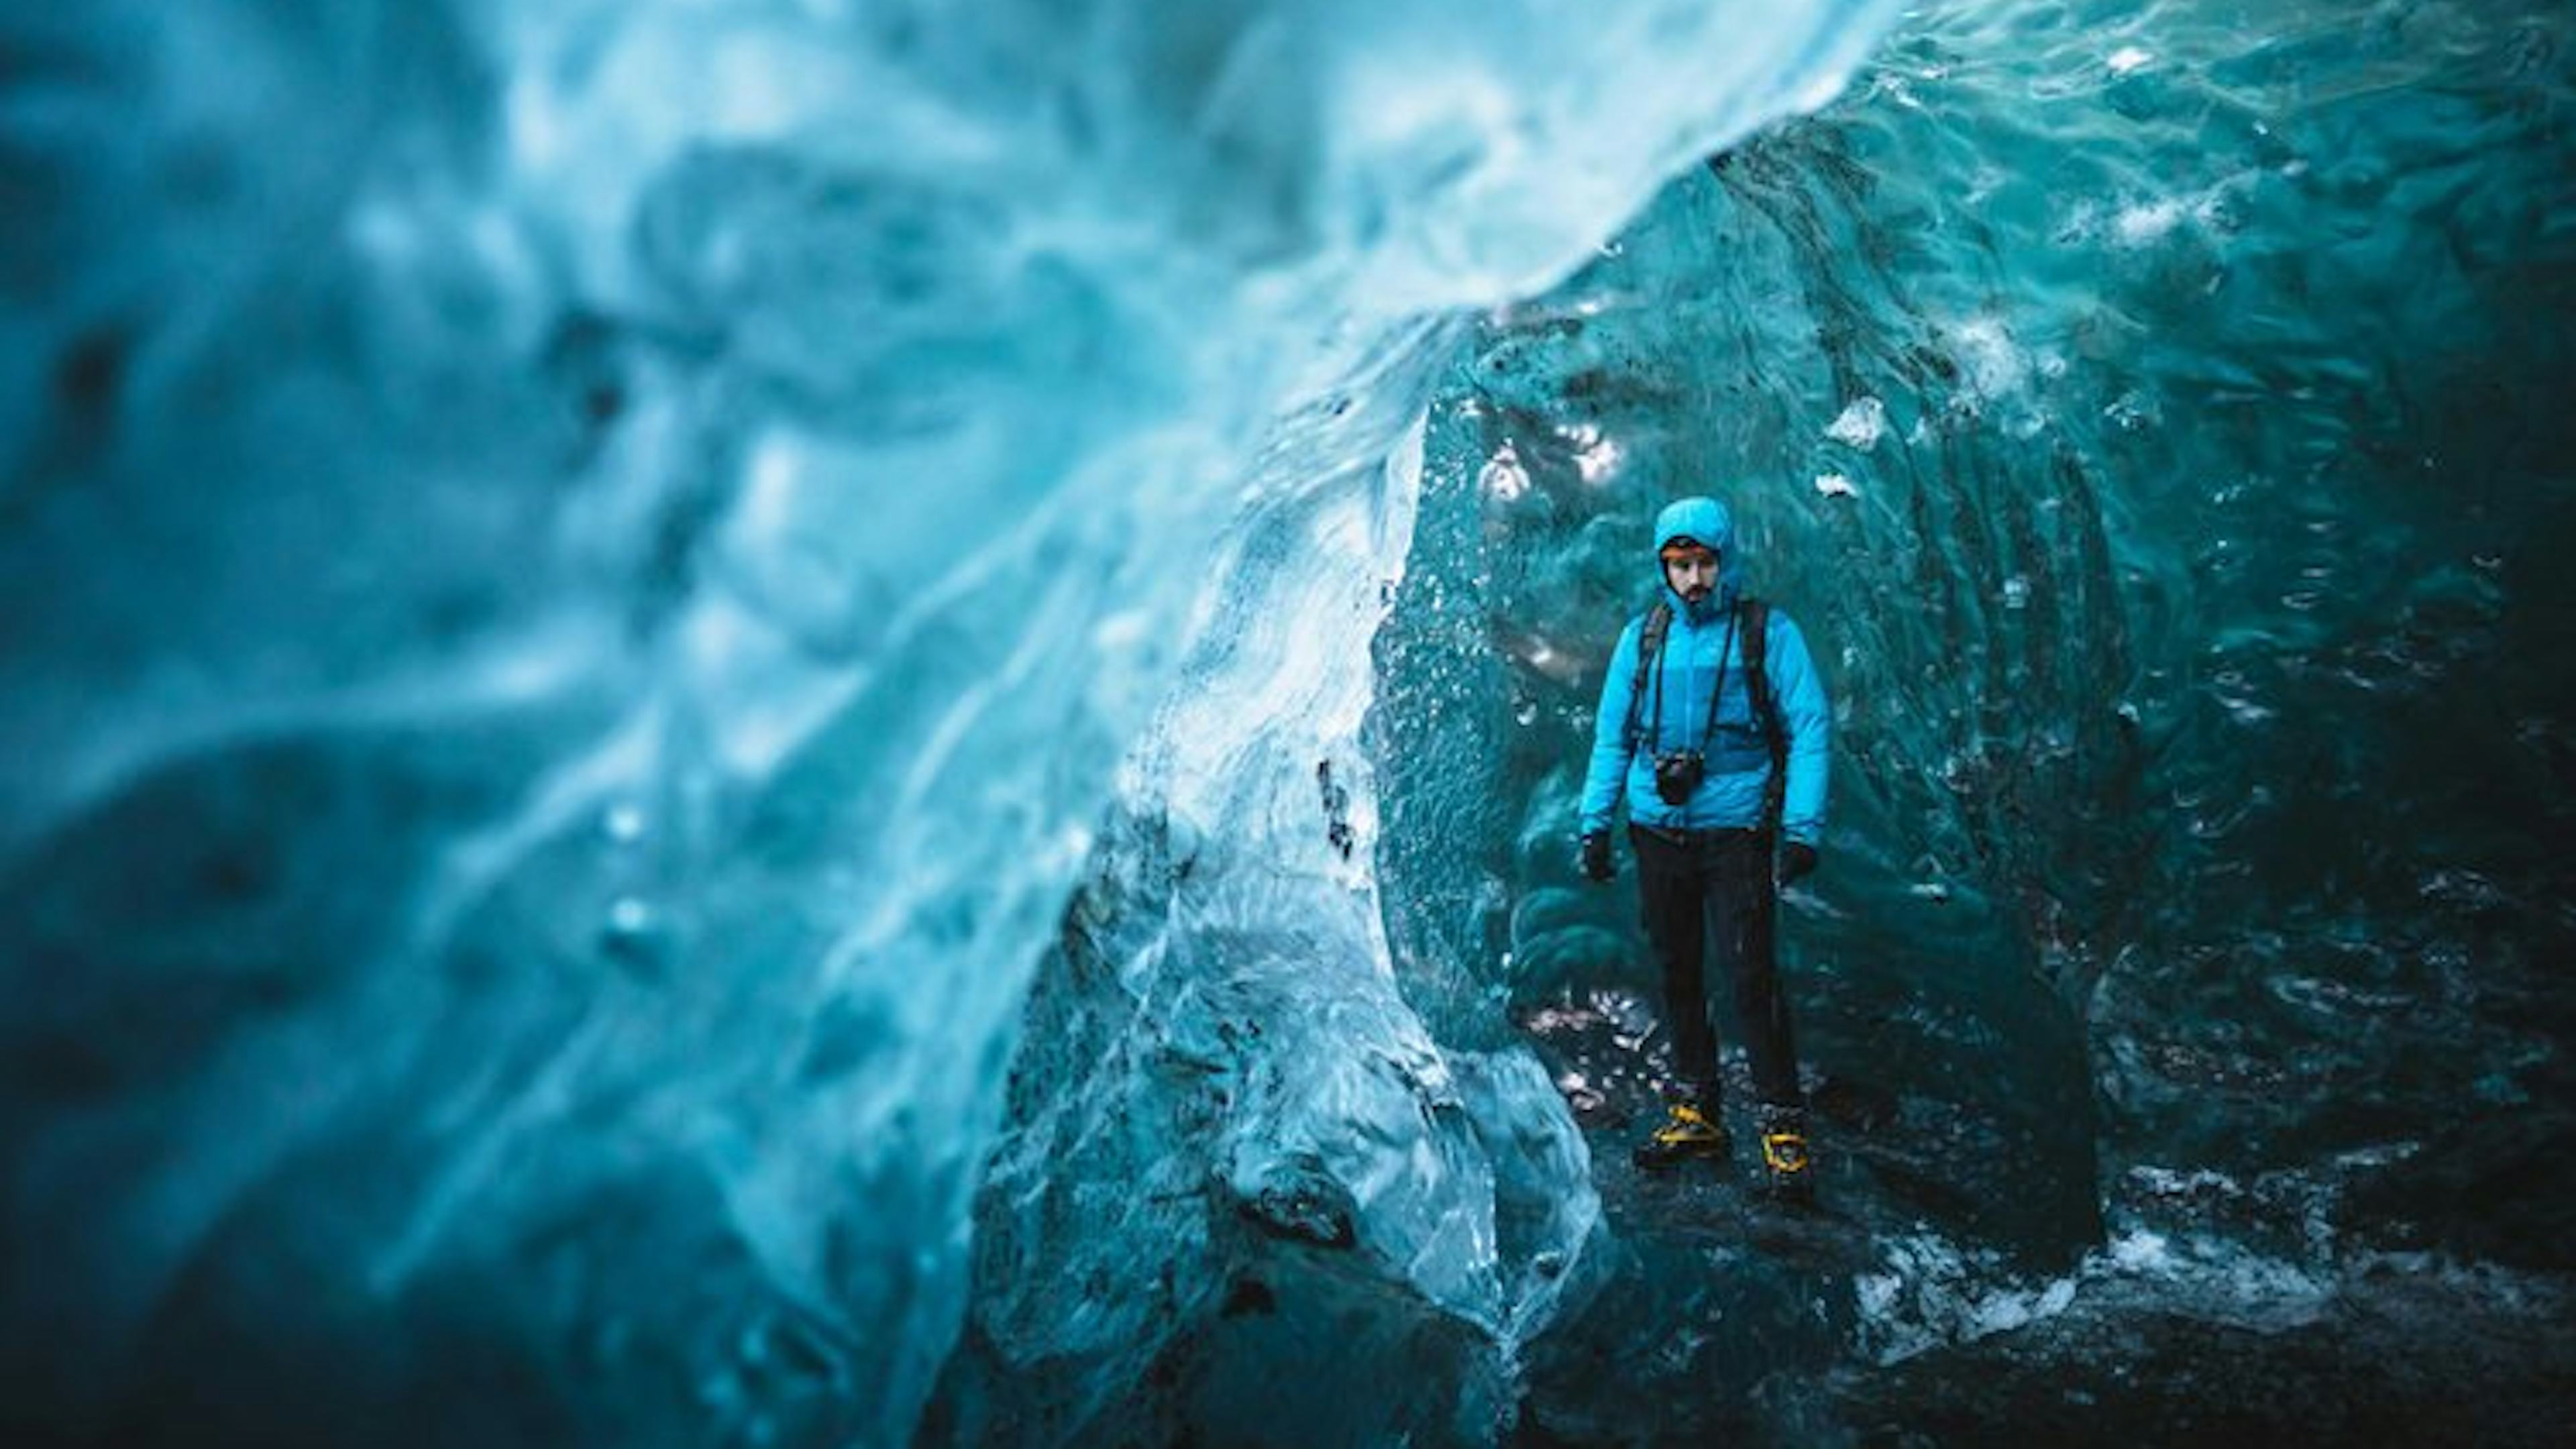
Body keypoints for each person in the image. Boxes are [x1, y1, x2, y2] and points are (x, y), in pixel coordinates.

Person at [1576, 495, 1831, 1199]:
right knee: (1677, 970)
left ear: (1726, 561)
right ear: (1663, 567)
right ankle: (1698, 1112)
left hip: (1735, 832)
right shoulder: (1644, 637)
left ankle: (1783, 1125)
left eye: (1705, 563)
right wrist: (1594, 823)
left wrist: (1802, 828)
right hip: (1657, 830)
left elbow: (1809, 728)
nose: (1693, 579)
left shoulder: (1766, 633)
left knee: (1750, 976)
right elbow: (1612, 737)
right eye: (1679, 565)